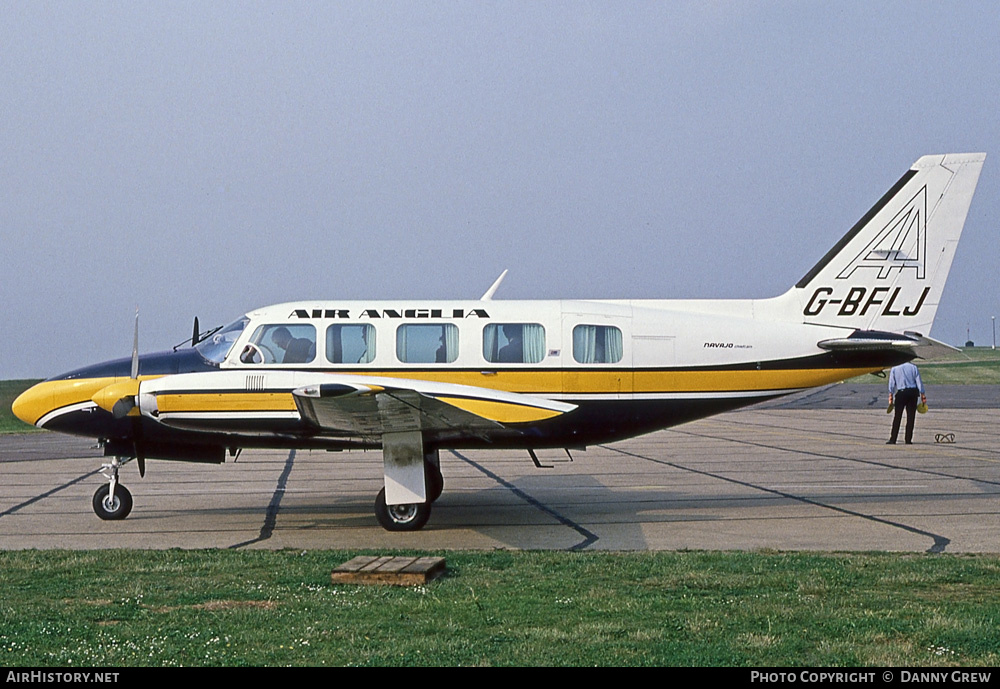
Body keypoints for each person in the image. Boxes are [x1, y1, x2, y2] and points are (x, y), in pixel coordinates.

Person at [887, 361, 926, 445]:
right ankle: (908, 439)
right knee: (911, 417)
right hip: (912, 393)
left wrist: (891, 395)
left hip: (901, 393)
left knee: (897, 416)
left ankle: (893, 439)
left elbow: (891, 383)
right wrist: (922, 394)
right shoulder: (913, 367)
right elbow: (919, 381)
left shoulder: (895, 367)